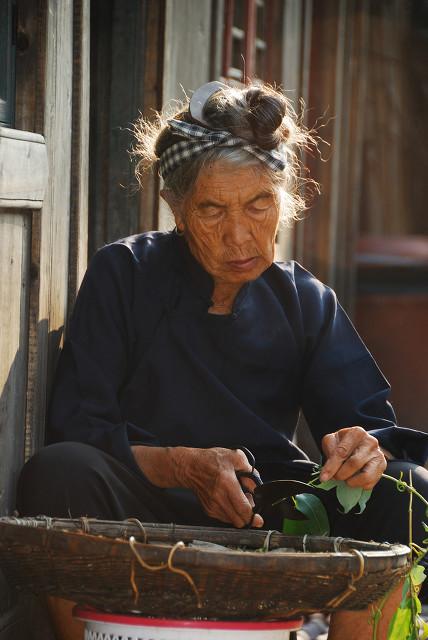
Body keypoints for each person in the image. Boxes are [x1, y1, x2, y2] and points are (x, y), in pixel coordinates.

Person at [17, 81, 428, 639]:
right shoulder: (126, 273)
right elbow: (78, 424)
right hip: (146, 508)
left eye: (260, 204)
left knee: (406, 487)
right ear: (177, 208)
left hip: (269, 517)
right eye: (212, 210)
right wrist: (185, 466)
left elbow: (370, 428)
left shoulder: (304, 299)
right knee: (59, 471)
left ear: (284, 199)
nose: (240, 235)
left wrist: (361, 452)